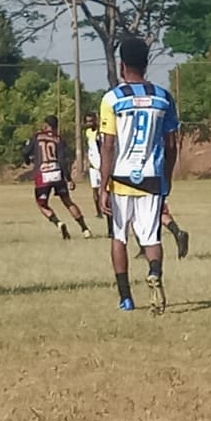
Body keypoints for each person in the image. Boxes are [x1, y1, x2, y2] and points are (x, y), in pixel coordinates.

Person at [97, 37, 179, 313]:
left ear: (122, 65)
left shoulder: (112, 99)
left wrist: (102, 186)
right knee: (152, 237)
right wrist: (166, 179)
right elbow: (171, 145)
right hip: (152, 177)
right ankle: (154, 272)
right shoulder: (163, 97)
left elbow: (108, 145)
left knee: (119, 237)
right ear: (146, 63)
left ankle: (126, 298)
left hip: (120, 178)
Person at [24, 115, 93, 239]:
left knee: (42, 204)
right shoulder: (59, 140)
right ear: (56, 127)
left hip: (42, 175)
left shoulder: (36, 137)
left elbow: (25, 152)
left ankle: (58, 223)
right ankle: (85, 229)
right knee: (67, 201)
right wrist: (69, 179)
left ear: (46, 126)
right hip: (57, 173)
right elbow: (62, 160)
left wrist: (27, 161)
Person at [83, 116, 106, 219]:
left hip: (101, 165)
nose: (89, 123)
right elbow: (89, 148)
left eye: (91, 121)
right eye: (87, 122)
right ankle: (98, 212)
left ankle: (106, 208)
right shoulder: (87, 132)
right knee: (95, 190)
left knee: (104, 189)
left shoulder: (100, 132)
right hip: (93, 166)